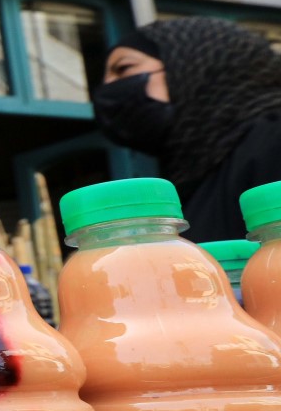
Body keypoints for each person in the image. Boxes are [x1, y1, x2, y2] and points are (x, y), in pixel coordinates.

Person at [95, 17, 281, 242]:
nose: (108, 86)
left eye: (123, 68)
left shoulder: (272, 140)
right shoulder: (196, 173)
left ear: (192, 65)